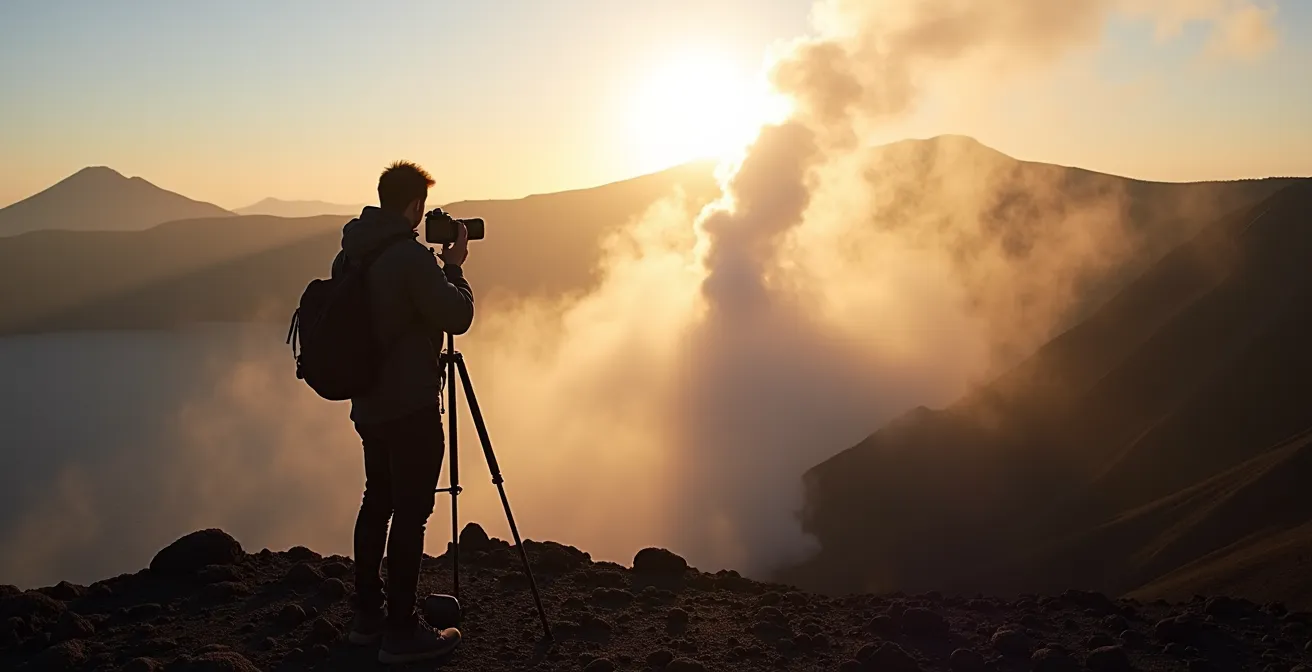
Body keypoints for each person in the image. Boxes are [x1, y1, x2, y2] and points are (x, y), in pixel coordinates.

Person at [333, 160, 473, 664]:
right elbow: (457, 316)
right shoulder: (411, 259)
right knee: (411, 515)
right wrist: (453, 267)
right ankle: (401, 631)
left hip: (367, 405)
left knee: (377, 501)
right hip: (411, 406)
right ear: (415, 206)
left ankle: (367, 617)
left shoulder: (351, 253)